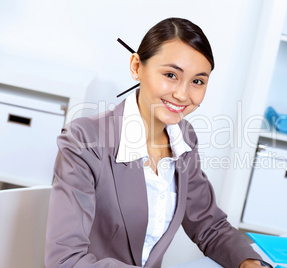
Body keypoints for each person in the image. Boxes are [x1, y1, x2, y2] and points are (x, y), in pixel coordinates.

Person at [45, 17, 272, 268]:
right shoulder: (84, 140)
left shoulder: (183, 138)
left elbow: (208, 225)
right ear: (136, 67)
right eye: (171, 74)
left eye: (197, 81)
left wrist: (248, 261)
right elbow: (65, 260)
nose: (182, 94)